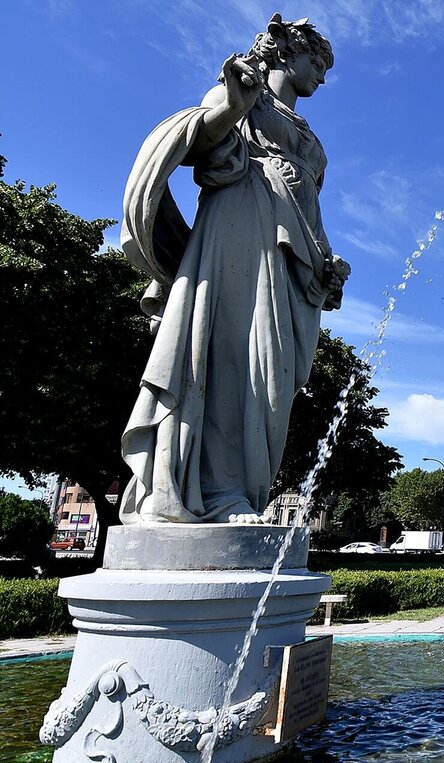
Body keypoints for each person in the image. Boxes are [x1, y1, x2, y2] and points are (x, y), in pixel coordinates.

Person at [119, 15, 348, 525]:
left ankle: (242, 490)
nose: (323, 77)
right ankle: (217, 493)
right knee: (229, 355)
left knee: (273, 378)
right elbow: (198, 146)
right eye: (317, 63)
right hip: (241, 223)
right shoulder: (241, 90)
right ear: (288, 51)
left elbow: (311, 208)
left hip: (293, 256)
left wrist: (328, 267)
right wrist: (231, 107)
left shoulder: (310, 137)